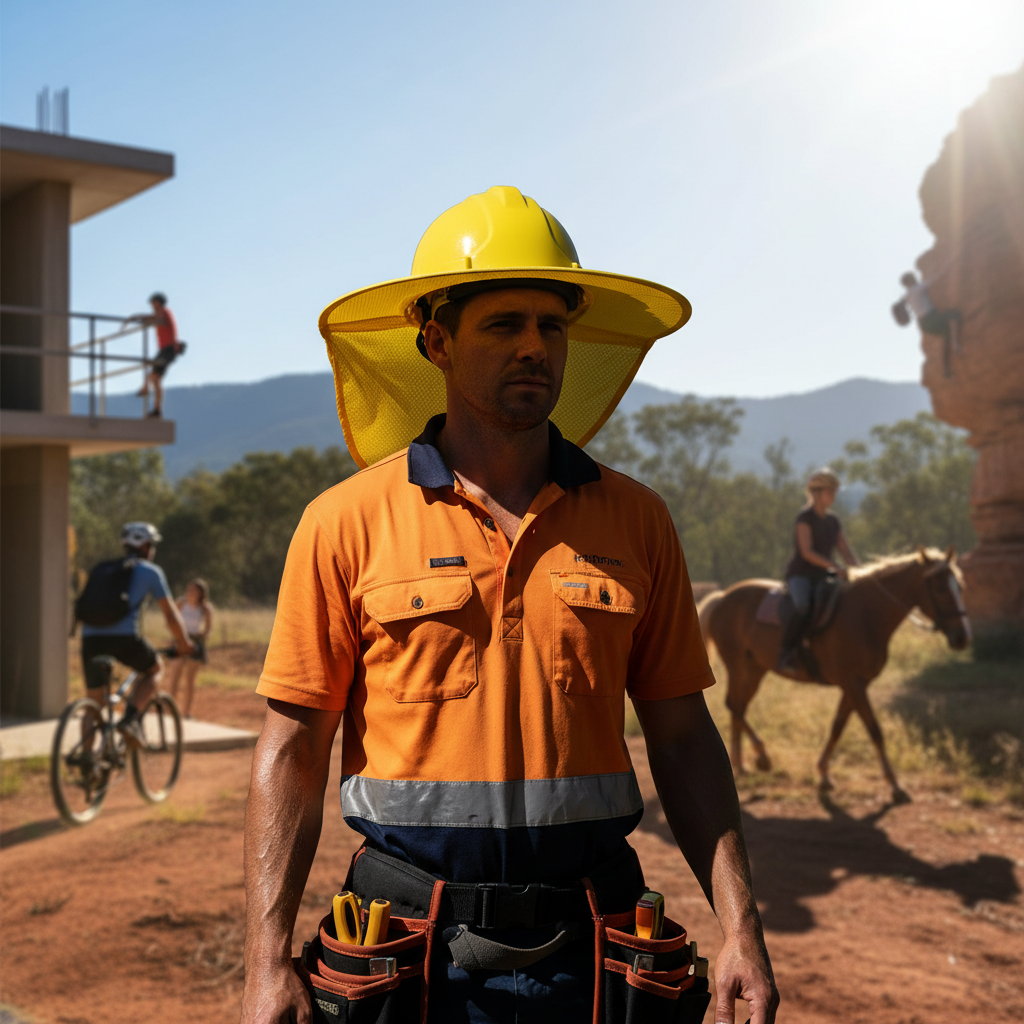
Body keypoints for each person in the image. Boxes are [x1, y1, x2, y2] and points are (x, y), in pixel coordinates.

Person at [241, 187, 778, 1024]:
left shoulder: (637, 518)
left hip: (597, 953)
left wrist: (739, 927)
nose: (535, 347)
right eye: (503, 325)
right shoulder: (344, 522)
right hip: (404, 952)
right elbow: (293, 748)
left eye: (551, 326)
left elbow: (682, 734)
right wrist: (265, 959)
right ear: (437, 340)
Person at [80, 522, 194, 747]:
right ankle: (130, 720)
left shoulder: (102, 568)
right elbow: (170, 615)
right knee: (155, 669)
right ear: (144, 546)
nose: (152, 550)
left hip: (90, 639)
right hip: (124, 639)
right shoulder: (150, 571)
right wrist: (184, 643)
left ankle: (87, 761)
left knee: (93, 703)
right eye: (151, 545)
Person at [776, 469, 859, 674]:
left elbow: (845, 549)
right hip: (801, 575)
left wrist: (859, 570)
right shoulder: (804, 518)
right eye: (830, 491)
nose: (833, 496)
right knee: (804, 605)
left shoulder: (833, 521)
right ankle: (786, 653)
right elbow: (806, 552)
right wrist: (835, 567)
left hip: (823, 575)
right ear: (817, 493)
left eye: (834, 492)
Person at [892, 271, 960, 377]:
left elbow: (899, 304)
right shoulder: (918, 288)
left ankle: (946, 369)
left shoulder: (907, 295)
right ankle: (955, 344)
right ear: (909, 281)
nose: (916, 278)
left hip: (924, 325)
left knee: (946, 335)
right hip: (931, 318)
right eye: (913, 277)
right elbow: (935, 279)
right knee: (954, 315)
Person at [164, 578, 212, 719]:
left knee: (190, 680)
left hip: (195, 642)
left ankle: (186, 712)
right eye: (189, 589)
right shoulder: (180, 603)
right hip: (179, 640)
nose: (191, 592)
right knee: (174, 677)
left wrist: (199, 638)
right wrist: (177, 637)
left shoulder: (205, 608)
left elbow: (208, 629)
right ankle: (169, 711)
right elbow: (170, 620)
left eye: (194, 590)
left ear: (201, 593)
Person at [135, 292, 182, 418]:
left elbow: (155, 318)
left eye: (154, 303)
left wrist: (140, 318)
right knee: (155, 378)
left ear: (159, 303)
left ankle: (145, 389)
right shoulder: (160, 315)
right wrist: (142, 319)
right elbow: (153, 319)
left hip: (168, 349)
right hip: (164, 350)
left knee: (154, 375)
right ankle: (156, 409)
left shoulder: (164, 312)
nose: (152, 305)